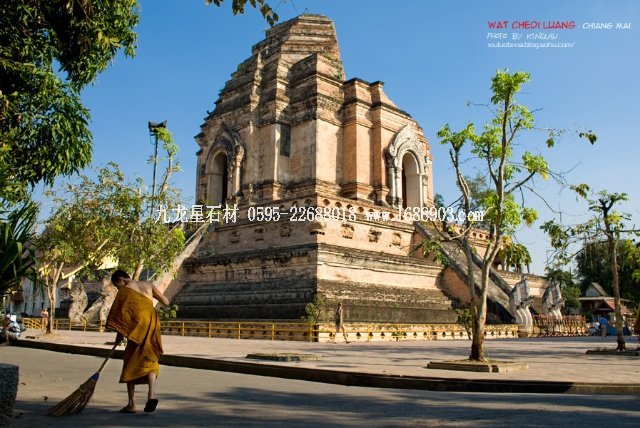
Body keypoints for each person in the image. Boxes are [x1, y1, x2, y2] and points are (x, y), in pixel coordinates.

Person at [107, 269, 169, 414]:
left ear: (121, 279)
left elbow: (120, 316)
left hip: (137, 327)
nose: (118, 288)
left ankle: (131, 404)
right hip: (152, 323)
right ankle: (151, 395)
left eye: (117, 285)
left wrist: (119, 335)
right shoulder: (148, 284)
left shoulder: (124, 291)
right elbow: (166, 301)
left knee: (130, 361)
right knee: (150, 358)